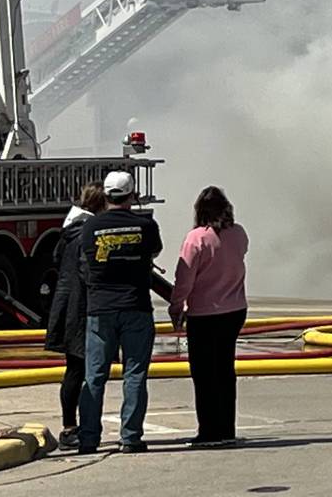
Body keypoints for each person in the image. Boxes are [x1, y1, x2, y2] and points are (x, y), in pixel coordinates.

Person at [77, 170, 162, 455]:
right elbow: (154, 253)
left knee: (94, 377)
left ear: (106, 194)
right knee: (135, 374)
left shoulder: (89, 227)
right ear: (132, 194)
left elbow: (85, 264)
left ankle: (88, 439)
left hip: (100, 309)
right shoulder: (146, 226)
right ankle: (131, 437)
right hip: (136, 307)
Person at [170, 187, 249, 448]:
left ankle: (209, 431)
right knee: (225, 370)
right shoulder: (238, 234)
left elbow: (185, 278)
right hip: (235, 310)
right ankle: (227, 427)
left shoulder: (196, 239)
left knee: (204, 374)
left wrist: (176, 306)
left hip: (205, 313)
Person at [44, 183, 107, 451]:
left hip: (65, 305)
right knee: (80, 369)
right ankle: (73, 428)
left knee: (74, 367)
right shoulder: (87, 234)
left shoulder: (69, 230)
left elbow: (58, 261)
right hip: (81, 307)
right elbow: (87, 271)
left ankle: (70, 425)